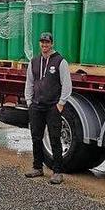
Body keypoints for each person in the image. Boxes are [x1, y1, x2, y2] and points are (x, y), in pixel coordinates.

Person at [24, 32, 72, 184]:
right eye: (42, 42)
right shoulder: (34, 61)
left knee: (54, 138)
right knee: (36, 137)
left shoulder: (60, 61)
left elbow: (67, 84)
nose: (45, 45)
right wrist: (29, 102)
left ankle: (57, 172)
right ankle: (37, 167)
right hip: (36, 106)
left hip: (52, 106)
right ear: (40, 43)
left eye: (47, 42)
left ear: (52, 43)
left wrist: (60, 104)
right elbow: (29, 83)